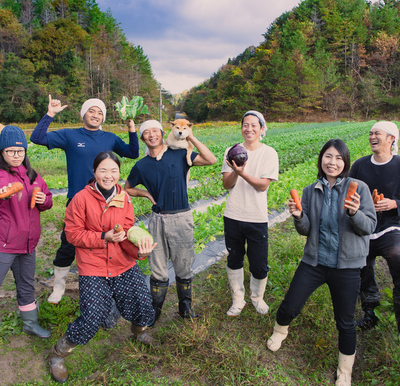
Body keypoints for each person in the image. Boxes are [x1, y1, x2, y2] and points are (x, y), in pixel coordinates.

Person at [267, 139, 376, 386]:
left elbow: (369, 226)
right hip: (314, 262)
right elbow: (305, 230)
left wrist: (354, 213)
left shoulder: (358, 188)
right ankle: (279, 331)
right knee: (290, 305)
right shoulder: (309, 191)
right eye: (328, 156)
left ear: (345, 162)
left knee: (345, 321)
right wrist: (298, 216)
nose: (333, 162)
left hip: (347, 266)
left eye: (338, 158)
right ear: (321, 159)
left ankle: (344, 371)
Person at [49, 151, 157, 383]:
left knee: (141, 302)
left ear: (119, 173)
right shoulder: (81, 199)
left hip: (122, 264)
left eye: (114, 171)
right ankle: (58, 354)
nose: (109, 175)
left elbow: (126, 234)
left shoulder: (124, 198)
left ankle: (139, 333)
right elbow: (73, 234)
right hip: (93, 267)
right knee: (92, 316)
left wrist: (139, 252)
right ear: (95, 172)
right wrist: (103, 237)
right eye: (103, 170)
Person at [31, 94, 140, 305]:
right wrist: (50, 114)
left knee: (106, 241)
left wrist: (132, 128)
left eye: (100, 112)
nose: (96, 115)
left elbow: (133, 153)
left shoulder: (110, 138)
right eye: (92, 110)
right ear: (84, 114)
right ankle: (59, 286)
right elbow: (37, 138)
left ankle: (99, 283)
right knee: (69, 243)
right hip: (78, 200)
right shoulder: (70, 136)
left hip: (106, 201)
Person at [124, 119, 216, 324]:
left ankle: (185, 308)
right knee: (157, 267)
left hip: (181, 218)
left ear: (162, 133)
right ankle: (154, 311)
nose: (151, 135)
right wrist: (146, 194)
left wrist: (190, 135)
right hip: (156, 220)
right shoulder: (141, 165)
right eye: (146, 132)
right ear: (142, 138)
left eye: (155, 130)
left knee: (183, 265)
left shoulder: (180, 154)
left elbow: (211, 160)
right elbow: (126, 188)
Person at [221, 110, 279, 316]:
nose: (249, 129)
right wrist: (235, 173)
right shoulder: (231, 151)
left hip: (256, 217)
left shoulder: (269, 153)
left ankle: (257, 298)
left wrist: (241, 172)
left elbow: (262, 186)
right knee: (234, 258)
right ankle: (238, 299)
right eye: (245, 125)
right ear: (241, 127)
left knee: (259, 263)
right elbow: (227, 185)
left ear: (262, 129)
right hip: (233, 215)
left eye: (254, 125)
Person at [0, 126, 53, 338]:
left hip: (28, 244)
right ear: (2, 152)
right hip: (4, 244)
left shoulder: (32, 175)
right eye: (11, 151)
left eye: (20, 151)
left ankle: (30, 324)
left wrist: (43, 200)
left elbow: (47, 199)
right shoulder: (2, 176)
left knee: (26, 284)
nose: (16, 155)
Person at [349, 121, 400, 332]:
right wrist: (361, 203)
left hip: (391, 226)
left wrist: (395, 203)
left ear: (391, 139)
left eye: (377, 133)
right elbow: (349, 193)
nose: (372, 137)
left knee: (397, 254)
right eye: (370, 133)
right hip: (364, 226)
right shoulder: (360, 165)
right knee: (362, 266)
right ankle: (370, 313)